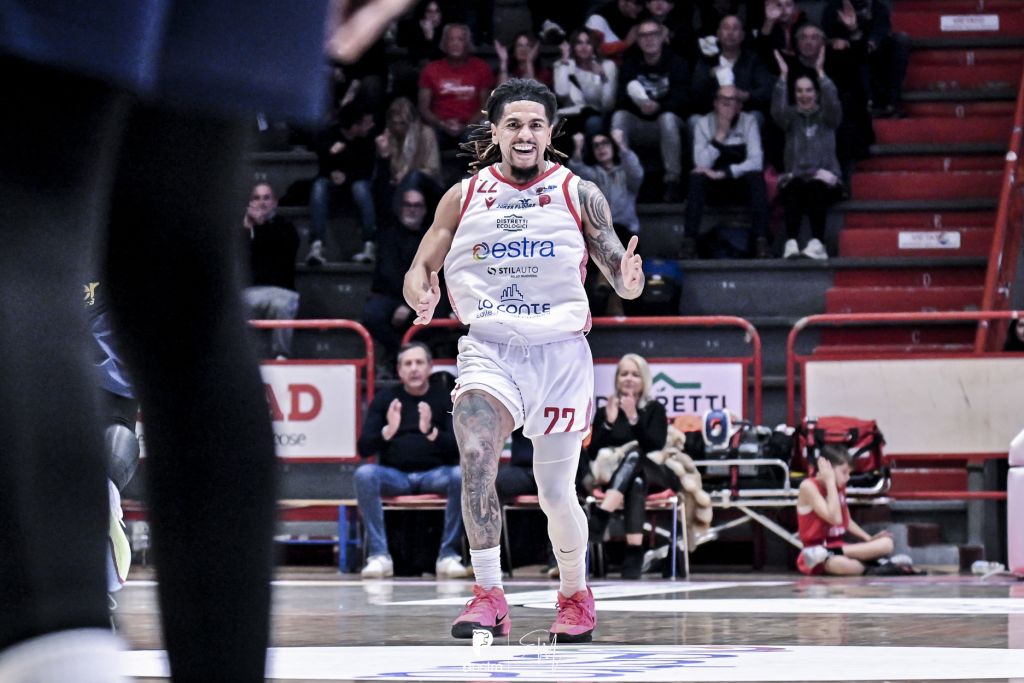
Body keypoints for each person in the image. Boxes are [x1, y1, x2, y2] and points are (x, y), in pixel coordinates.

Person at [403, 78, 645, 642]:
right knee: (476, 455)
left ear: (550, 132)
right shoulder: (463, 196)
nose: (525, 133)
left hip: (559, 356)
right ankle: (489, 594)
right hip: (489, 347)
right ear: (495, 131)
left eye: (536, 123)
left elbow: (617, 270)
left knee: (555, 493)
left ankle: (575, 594)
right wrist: (420, 291)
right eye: (513, 123)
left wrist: (630, 281)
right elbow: (421, 265)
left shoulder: (578, 192)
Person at [355, 342, 469, 579]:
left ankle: (448, 555)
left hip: (435, 474)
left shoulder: (444, 398)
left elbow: (460, 447)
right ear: (399, 370)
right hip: (395, 476)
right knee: (364, 474)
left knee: (461, 475)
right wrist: (389, 430)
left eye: (419, 363)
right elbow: (364, 447)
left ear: (430, 367)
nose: (414, 368)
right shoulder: (386, 399)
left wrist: (430, 431)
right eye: (408, 364)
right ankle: (379, 556)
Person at [586, 354, 676, 579]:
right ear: (617, 378)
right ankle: (634, 553)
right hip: (617, 478)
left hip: (655, 472)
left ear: (644, 379)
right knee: (634, 483)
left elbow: (654, 445)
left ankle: (602, 516)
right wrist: (608, 423)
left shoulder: (654, 409)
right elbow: (593, 452)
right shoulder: (606, 410)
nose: (628, 379)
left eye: (635, 374)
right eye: (624, 374)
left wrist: (633, 417)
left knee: (635, 455)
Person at [361, 181, 444, 369]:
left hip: (422, 297)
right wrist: (404, 302)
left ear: (424, 210)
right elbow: (388, 274)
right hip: (391, 296)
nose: (412, 210)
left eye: (417, 205)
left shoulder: (432, 239)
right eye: (408, 205)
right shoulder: (388, 235)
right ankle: (402, 353)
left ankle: (400, 358)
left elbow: (437, 275)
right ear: (400, 208)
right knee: (372, 314)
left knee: (437, 314)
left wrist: (411, 303)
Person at [771, 49, 842, 260]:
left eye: (809, 90)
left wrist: (821, 73)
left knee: (815, 187)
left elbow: (833, 103)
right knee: (794, 188)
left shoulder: (827, 117)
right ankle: (791, 243)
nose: (804, 95)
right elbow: (777, 111)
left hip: (825, 180)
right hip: (797, 178)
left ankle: (818, 243)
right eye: (799, 91)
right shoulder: (790, 118)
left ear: (817, 93)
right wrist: (783, 78)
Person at [684, 84, 769, 258]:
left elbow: (756, 161)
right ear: (715, 103)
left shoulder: (749, 122)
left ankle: (761, 241)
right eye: (724, 100)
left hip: (738, 183)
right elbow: (700, 163)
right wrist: (720, 136)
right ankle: (689, 242)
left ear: (740, 106)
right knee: (696, 178)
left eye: (733, 100)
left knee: (757, 178)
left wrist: (726, 172)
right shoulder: (703, 123)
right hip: (714, 188)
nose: (728, 105)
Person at [611, 20, 691, 202]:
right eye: (643, 35)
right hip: (640, 121)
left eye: (653, 34)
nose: (649, 39)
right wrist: (640, 105)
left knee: (667, 118)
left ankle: (673, 181)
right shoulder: (630, 64)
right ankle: (621, 180)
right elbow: (621, 99)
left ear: (662, 37)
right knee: (619, 117)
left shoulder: (677, 63)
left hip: (668, 124)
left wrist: (659, 106)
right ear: (638, 40)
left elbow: (684, 99)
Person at [796, 445, 896, 575]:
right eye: (844, 472)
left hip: (840, 548)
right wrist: (830, 482)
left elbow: (846, 520)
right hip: (814, 553)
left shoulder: (840, 486)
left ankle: (835, 553)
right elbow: (835, 519)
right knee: (840, 564)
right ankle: (880, 565)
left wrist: (869, 538)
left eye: (849, 473)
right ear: (828, 469)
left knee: (887, 544)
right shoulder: (808, 487)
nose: (848, 478)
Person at [308, 105, 378, 265]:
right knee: (319, 186)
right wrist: (331, 156)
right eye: (366, 123)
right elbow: (323, 165)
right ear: (354, 127)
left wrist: (346, 177)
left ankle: (369, 245)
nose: (371, 125)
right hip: (333, 186)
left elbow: (366, 171)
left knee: (360, 187)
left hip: (356, 185)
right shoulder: (330, 135)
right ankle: (316, 246)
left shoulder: (368, 139)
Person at [242, 182, 301, 358]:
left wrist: (260, 225)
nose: (262, 202)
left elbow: (276, 250)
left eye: (266, 198)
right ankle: (241, 358)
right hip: (251, 290)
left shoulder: (286, 227)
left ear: (274, 202)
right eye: (257, 198)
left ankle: (281, 357)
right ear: (250, 203)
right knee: (233, 304)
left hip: (280, 290)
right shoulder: (243, 229)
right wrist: (246, 230)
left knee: (283, 304)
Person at [417, 23, 495, 150]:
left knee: (475, 136)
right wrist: (442, 124)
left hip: (470, 125)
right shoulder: (431, 69)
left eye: (460, 39)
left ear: (467, 43)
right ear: (445, 43)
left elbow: (484, 106)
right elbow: (423, 108)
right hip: (439, 125)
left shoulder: (481, 68)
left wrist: (465, 126)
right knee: (426, 135)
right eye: (451, 39)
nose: (455, 44)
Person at [691, 15, 773, 119]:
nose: (730, 33)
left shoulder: (753, 60)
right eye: (726, 28)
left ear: (742, 35)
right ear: (718, 34)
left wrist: (745, 95)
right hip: (713, 115)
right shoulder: (707, 60)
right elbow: (695, 94)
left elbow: (766, 90)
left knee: (755, 116)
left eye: (735, 28)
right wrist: (709, 75)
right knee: (694, 119)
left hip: (744, 115)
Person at [553, 29, 619, 149]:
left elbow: (608, 105)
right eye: (579, 43)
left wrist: (602, 78)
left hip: (598, 115)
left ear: (594, 46)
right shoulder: (562, 65)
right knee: (562, 128)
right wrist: (565, 63)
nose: (583, 47)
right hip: (571, 116)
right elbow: (562, 93)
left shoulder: (607, 66)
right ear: (573, 46)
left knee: (593, 123)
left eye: (588, 43)